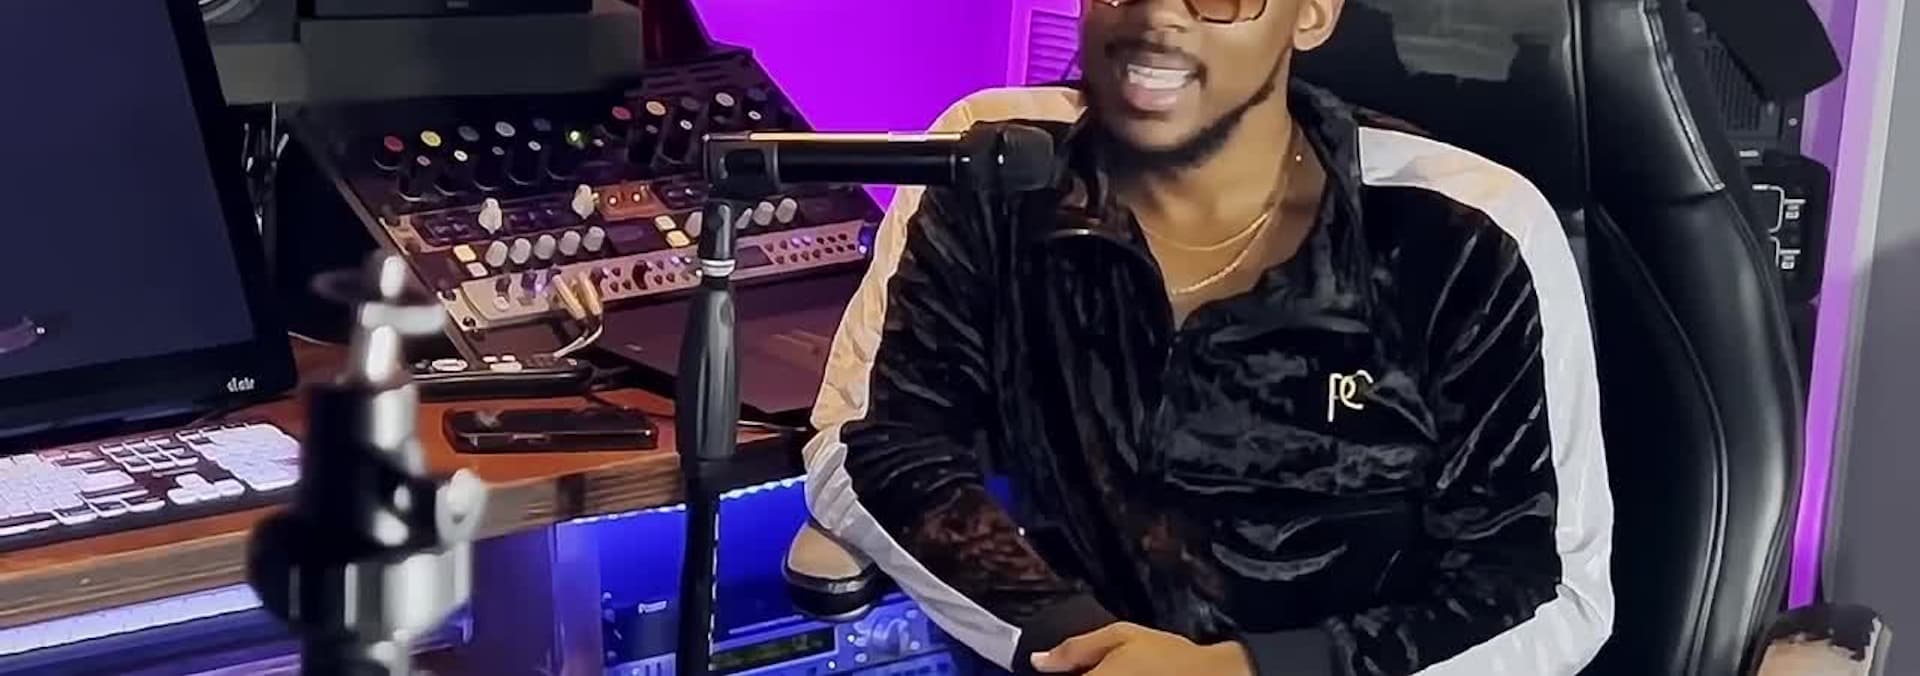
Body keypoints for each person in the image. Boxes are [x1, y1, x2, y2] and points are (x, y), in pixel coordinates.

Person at [800, 0, 1614, 674]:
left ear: (1313, 14)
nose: (1156, 16)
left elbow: (1550, 596)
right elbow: (871, 443)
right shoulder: (998, 162)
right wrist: (1076, 644)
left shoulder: (1468, 231)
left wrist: (1247, 669)